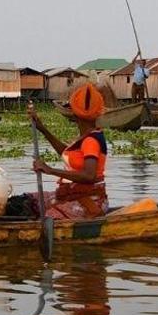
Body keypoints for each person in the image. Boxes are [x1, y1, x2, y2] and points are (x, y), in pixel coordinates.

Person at [28, 83, 109, 219]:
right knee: (28, 202)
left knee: (48, 217)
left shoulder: (91, 141)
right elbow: (66, 153)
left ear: (75, 114)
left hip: (89, 200)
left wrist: (50, 170)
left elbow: (89, 176)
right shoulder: (85, 137)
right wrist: (42, 129)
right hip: (74, 194)